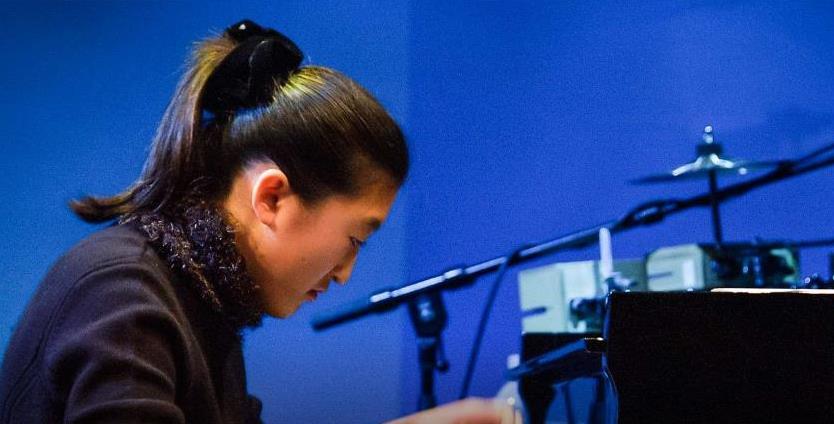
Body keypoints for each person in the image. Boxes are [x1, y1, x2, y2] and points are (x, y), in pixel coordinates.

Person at [0, 20, 510, 423]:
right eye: (355, 238)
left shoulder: (202, 302)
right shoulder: (122, 295)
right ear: (271, 197)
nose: (345, 273)